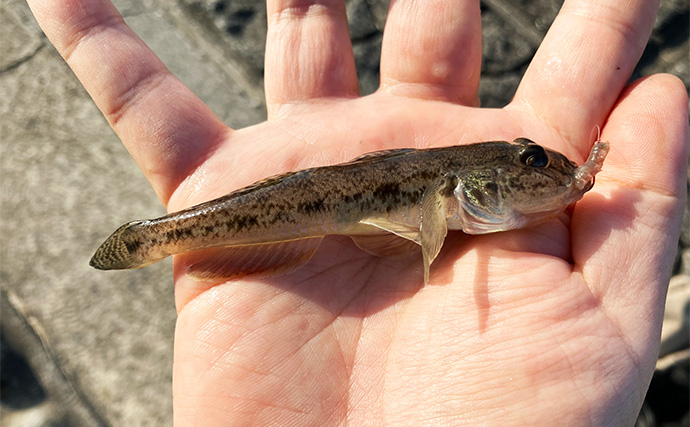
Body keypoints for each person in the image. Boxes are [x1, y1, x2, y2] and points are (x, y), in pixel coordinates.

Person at [28, 0, 688, 424]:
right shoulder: (449, 188)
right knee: (267, 214)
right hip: (315, 201)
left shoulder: (482, 187)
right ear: (469, 186)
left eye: (532, 166)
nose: (542, 176)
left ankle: (163, 238)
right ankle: (161, 239)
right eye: (529, 168)